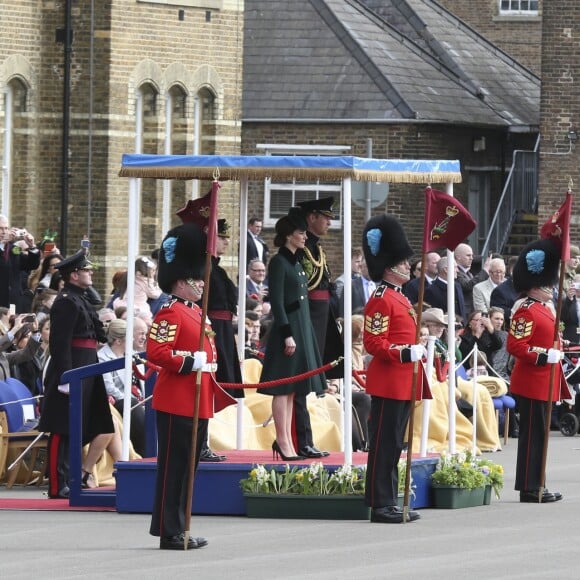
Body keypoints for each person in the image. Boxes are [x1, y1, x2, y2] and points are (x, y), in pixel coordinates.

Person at [147, 222, 235, 550]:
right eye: (196, 280)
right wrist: (189, 361)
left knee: (188, 471)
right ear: (181, 282)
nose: (201, 284)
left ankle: (179, 527)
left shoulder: (196, 312)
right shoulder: (170, 313)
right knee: (175, 470)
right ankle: (171, 531)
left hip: (197, 399)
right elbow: (156, 352)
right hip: (177, 400)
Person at [362, 214, 430, 524]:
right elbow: (374, 343)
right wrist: (405, 353)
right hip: (389, 381)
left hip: (403, 381)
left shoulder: (399, 298)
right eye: (403, 263)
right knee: (384, 444)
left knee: (394, 445)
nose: (408, 266)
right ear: (390, 266)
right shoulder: (381, 299)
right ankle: (380, 504)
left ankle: (388, 499)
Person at [38, 249, 118, 499]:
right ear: (74, 275)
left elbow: (96, 333)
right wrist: (66, 377)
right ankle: (56, 483)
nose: (91, 272)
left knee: (86, 423)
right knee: (63, 428)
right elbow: (60, 343)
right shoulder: (65, 301)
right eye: (86, 270)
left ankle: (74, 475)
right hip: (72, 370)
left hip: (87, 367)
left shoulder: (80, 298)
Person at [257, 208, 326, 460]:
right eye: (300, 233)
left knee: (292, 390)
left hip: (300, 327)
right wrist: (287, 333)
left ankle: (286, 441)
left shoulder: (295, 262)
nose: (305, 237)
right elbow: (277, 301)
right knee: (283, 389)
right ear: (289, 235)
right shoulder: (278, 262)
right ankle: (283, 441)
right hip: (287, 330)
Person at [507, 239, 569, 503]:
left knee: (540, 435)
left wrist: (557, 345)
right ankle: (530, 487)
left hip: (545, 380)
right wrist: (545, 355)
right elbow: (516, 345)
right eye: (546, 283)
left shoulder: (544, 309)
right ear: (535, 286)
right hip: (533, 380)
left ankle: (537, 483)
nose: (550, 287)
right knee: (533, 436)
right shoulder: (526, 311)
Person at [294, 196, 343, 458]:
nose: (329, 222)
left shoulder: (317, 248)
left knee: (308, 385)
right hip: (309, 318)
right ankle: (301, 440)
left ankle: (304, 439)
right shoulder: (303, 249)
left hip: (321, 317)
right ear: (311, 217)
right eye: (325, 217)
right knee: (300, 384)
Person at [98, 319, 146, 457]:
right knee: (133, 406)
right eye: (129, 338)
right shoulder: (102, 358)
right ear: (118, 341)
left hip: (137, 400)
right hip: (119, 401)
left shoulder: (133, 356)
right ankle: (144, 453)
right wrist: (135, 401)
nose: (133, 341)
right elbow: (109, 388)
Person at [0, 214, 41, 312]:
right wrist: (1, 243)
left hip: (13, 303)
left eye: (6, 228)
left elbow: (30, 264)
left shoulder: (13, 248)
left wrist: (32, 247)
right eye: (1, 228)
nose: (4, 231)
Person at [424, 256, 467, 324]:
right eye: (455, 267)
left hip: (461, 329)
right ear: (446, 270)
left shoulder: (458, 286)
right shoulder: (431, 290)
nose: (458, 270)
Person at [455, 243, 490, 315]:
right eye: (468, 255)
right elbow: (467, 286)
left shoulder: (469, 273)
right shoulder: (455, 272)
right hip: (464, 314)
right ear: (458, 257)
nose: (471, 258)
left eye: (472, 255)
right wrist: (485, 271)